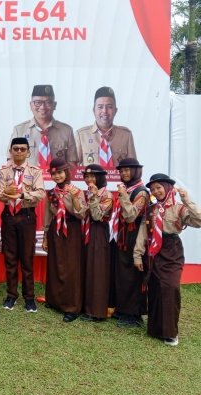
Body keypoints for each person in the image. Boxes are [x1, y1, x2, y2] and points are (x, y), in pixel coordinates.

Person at [133, 174, 201, 346]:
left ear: (168, 187)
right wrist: (137, 254)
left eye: (159, 187)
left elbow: (199, 220)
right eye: (153, 189)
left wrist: (187, 199)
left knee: (170, 288)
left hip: (172, 250)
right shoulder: (151, 209)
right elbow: (143, 232)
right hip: (153, 251)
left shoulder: (179, 208)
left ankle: (170, 332)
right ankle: (156, 329)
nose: (156, 191)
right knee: (155, 288)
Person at [0, 138, 45, 312]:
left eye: (22, 149)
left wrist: (22, 195)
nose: (18, 152)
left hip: (26, 216)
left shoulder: (35, 171)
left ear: (28, 152)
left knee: (27, 259)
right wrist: (5, 192)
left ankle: (29, 298)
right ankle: (11, 296)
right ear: (10, 151)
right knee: (10, 259)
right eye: (15, 149)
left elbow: (41, 193)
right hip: (9, 216)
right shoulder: (4, 171)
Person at [42, 158, 87, 322]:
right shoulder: (51, 193)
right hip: (56, 230)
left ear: (67, 172)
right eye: (53, 174)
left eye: (60, 172)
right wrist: (45, 236)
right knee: (55, 264)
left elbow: (81, 214)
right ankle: (55, 300)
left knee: (71, 268)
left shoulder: (77, 191)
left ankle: (72, 307)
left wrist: (72, 198)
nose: (57, 176)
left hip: (72, 230)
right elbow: (48, 215)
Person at [110, 158, 150, 327]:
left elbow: (131, 216)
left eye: (127, 170)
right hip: (123, 237)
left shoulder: (142, 192)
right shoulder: (127, 189)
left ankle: (134, 315)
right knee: (122, 275)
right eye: (121, 171)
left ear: (136, 171)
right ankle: (122, 309)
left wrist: (124, 196)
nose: (124, 173)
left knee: (133, 275)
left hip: (135, 238)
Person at [8, 85, 78, 169]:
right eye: (37, 102)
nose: (42, 107)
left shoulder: (66, 131)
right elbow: (11, 162)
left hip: (57, 177)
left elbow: (72, 165)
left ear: (54, 105)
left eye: (48, 102)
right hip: (28, 177)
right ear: (31, 105)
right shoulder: (19, 131)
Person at [81, 164, 113, 321]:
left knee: (97, 270)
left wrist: (93, 198)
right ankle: (85, 306)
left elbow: (96, 216)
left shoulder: (107, 195)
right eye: (87, 176)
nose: (89, 179)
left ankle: (97, 311)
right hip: (86, 231)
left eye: (93, 176)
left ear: (100, 177)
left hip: (98, 232)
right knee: (87, 268)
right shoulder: (86, 192)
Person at [76, 87, 136, 166]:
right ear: (94, 110)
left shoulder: (126, 135)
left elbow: (133, 168)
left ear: (115, 110)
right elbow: (73, 168)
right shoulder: (81, 135)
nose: (104, 111)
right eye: (100, 107)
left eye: (109, 107)